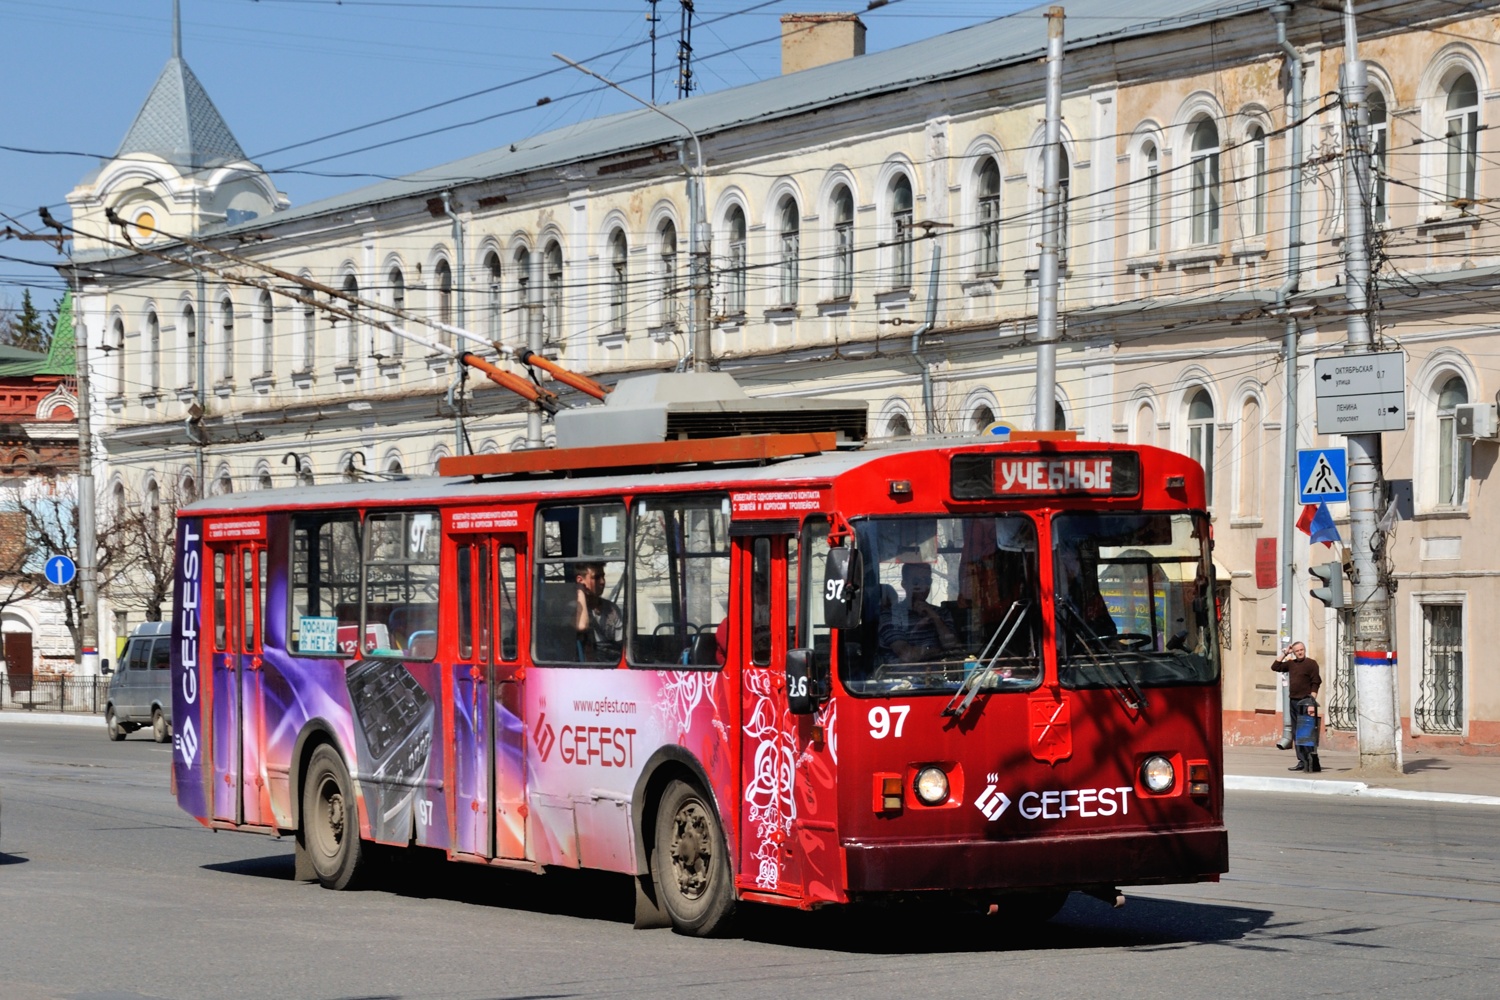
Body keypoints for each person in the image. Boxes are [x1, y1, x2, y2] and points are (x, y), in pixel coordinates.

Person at [878, 562, 962, 663]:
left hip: (939, 675)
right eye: (916, 582)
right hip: (902, 677)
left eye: (927, 581)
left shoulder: (942, 614)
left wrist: (935, 618)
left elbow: (953, 647)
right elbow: (907, 655)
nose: (923, 586)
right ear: (904, 584)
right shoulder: (890, 616)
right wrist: (940, 653)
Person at [1272, 641, 1323, 772]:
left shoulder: (1311, 664)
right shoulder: (1291, 664)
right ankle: (1301, 760)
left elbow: (1316, 683)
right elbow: (1275, 666)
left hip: (1306, 702)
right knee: (1296, 732)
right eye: (1297, 651)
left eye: (1302, 649)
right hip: (1293, 702)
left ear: (1304, 650)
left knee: (1306, 732)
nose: (1300, 652)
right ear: (1293, 652)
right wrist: (1284, 653)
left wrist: (1312, 702)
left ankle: (1310, 760)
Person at [572, 561, 622, 662]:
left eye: (603, 576)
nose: (602, 581)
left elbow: (621, 643)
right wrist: (580, 591)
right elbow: (581, 626)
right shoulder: (573, 608)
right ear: (580, 580)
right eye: (596, 577)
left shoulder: (611, 609)